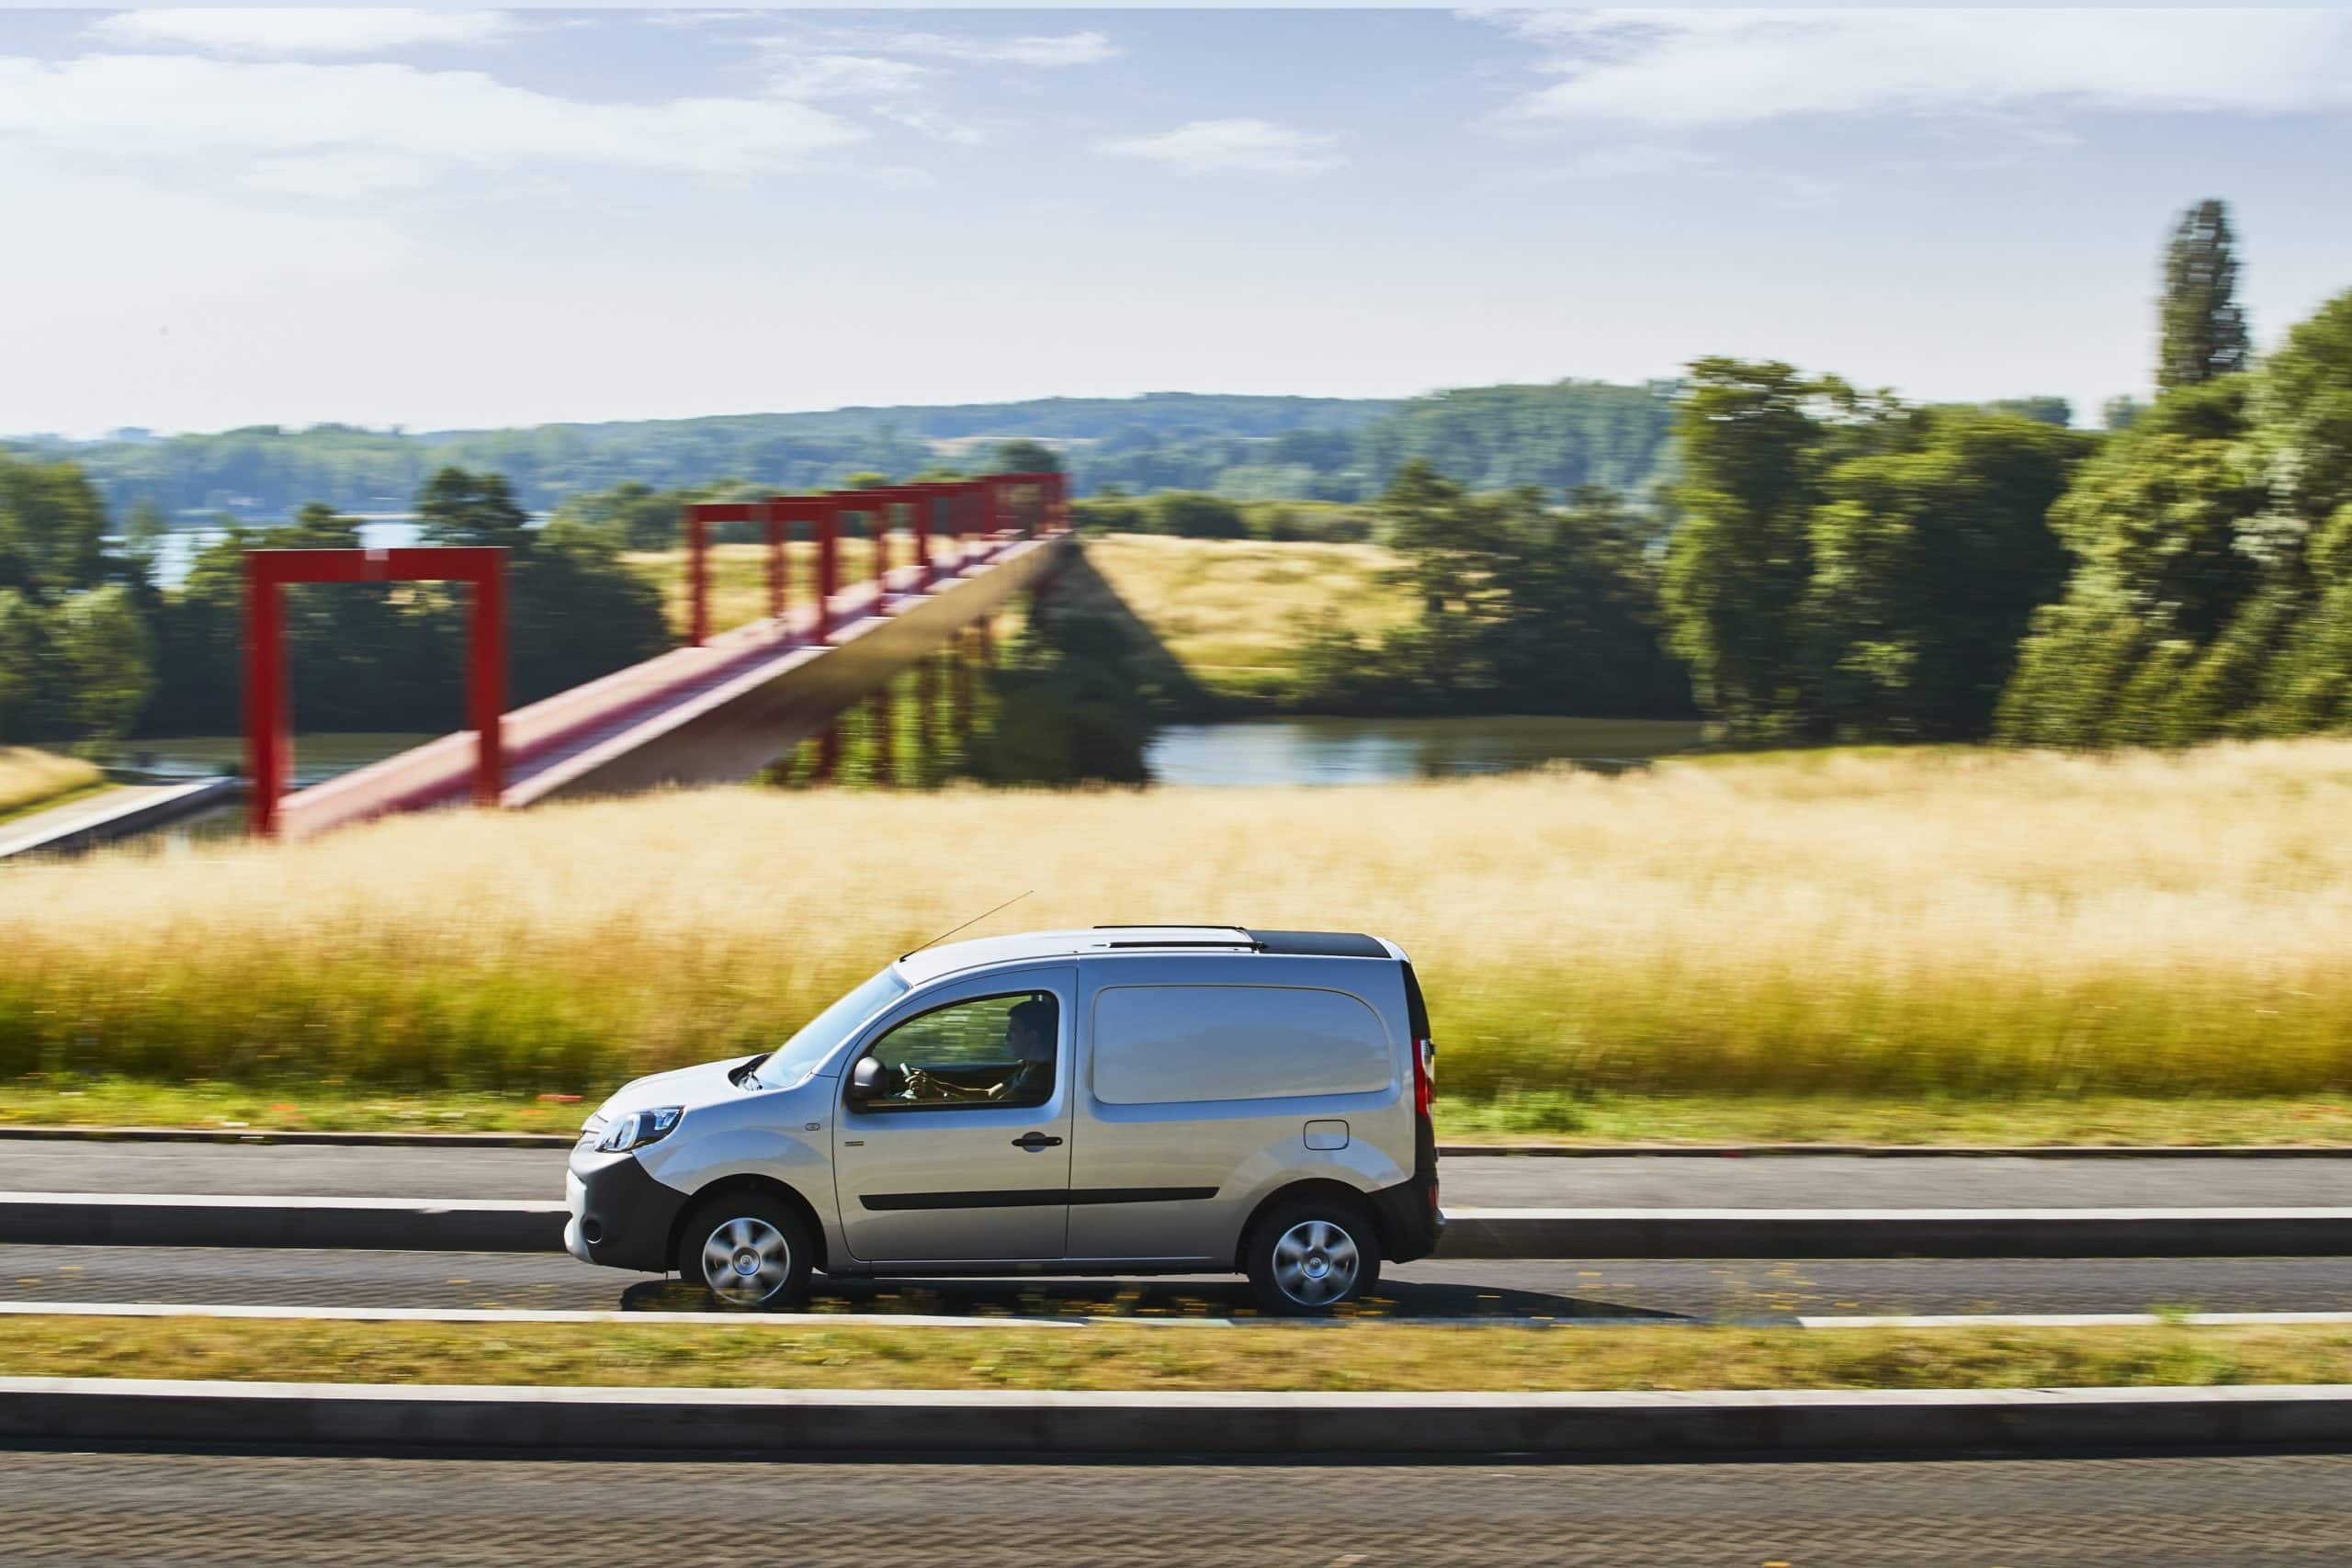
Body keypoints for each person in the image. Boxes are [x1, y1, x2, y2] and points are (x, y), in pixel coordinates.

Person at [899, 996, 1056, 1105]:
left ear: (1033, 1036)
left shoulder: (1039, 1076)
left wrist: (937, 1094)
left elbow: (996, 1109)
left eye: (1013, 1031)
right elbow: (988, 1095)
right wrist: (934, 1084)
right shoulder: (1028, 1066)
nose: (1007, 1037)